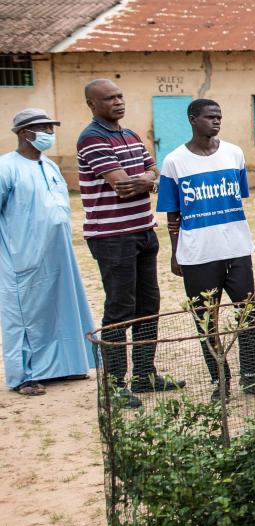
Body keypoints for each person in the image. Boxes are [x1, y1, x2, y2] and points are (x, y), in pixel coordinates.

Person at [157, 99, 255, 399]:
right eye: (210, 117)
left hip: (236, 249)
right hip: (197, 254)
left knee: (247, 314)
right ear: (193, 119)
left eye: (220, 116)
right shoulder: (174, 161)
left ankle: (250, 375)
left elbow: (238, 198)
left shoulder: (234, 154)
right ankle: (220, 380)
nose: (216, 121)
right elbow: (173, 214)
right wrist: (175, 253)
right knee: (206, 321)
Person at [78, 78, 181, 406]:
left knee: (148, 306)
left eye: (120, 96)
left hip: (143, 231)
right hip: (112, 237)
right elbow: (122, 185)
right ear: (92, 105)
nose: (118, 102)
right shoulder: (92, 138)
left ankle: (144, 375)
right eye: (109, 99)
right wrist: (146, 180)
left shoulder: (131, 135)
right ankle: (114, 385)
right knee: (120, 309)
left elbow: (156, 174)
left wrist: (146, 180)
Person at [1, 109, 98, 398]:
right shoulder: (7, 167)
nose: (49, 133)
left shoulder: (50, 166)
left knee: (61, 307)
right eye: (42, 128)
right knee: (23, 316)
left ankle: (64, 365)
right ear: (25, 133)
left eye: (51, 127)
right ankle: (23, 376)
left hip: (58, 254)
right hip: (22, 256)